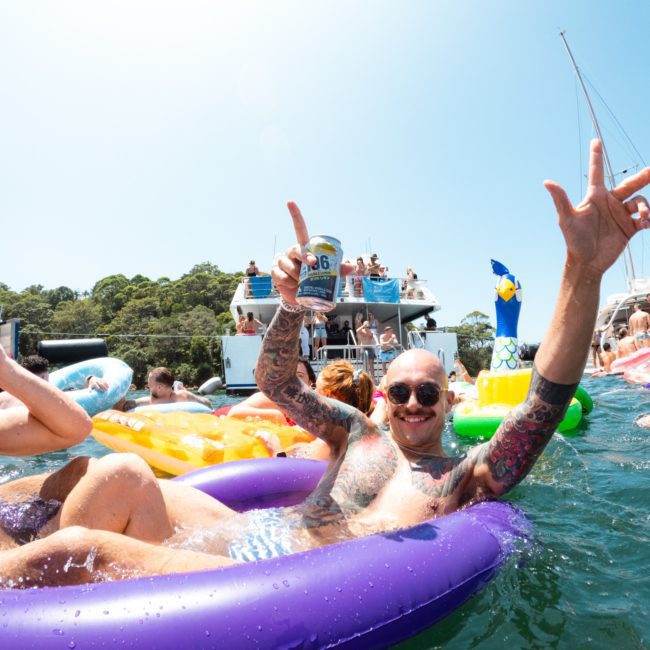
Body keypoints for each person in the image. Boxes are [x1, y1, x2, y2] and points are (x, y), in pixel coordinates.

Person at [1, 139, 649, 586]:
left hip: (276, 580)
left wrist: (581, 271)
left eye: (429, 392)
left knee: (80, 551)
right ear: (382, 400)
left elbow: (543, 405)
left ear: (450, 400)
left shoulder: (464, 477)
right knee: (118, 473)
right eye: (402, 392)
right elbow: (277, 381)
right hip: (253, 537)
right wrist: (290, 308)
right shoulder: (356, 435)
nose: (416, 403)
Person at [0, 344, 92, 456]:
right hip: (53, 455)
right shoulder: (59, 399)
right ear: (44, 377)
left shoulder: (4, 397)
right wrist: (90, 379)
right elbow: (80, 425)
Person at [226, 358, 316, 425]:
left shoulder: (316, 405)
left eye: (299, 376)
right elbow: (233, 413)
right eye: (287, 377)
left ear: (310, 382)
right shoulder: (272, 398)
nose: (293, 381)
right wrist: (276, 416)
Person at [128, 367, 211, 410]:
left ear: (159, 387)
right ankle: (178, 386)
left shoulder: (183, 396)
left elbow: (207, 403)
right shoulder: (145, 402)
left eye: (149, 383)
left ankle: (178, 386)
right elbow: (121, 407)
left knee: (181, 391)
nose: (148, 386)